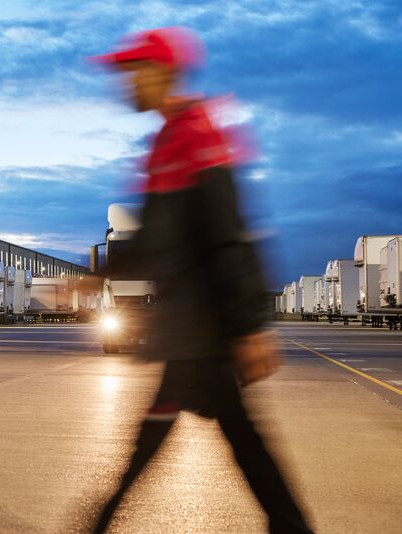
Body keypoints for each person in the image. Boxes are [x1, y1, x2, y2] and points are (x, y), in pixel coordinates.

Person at [91, 28, 313, 533]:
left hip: (203, 335)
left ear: (161, 72)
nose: (126, 83)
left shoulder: (198, 136)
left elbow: (229, 235)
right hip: (191, 333)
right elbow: (150, 242)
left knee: (164, 447)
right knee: (242, 445)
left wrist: (251, 326)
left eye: (133, 72)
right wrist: (91, 278)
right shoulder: (166, 142)